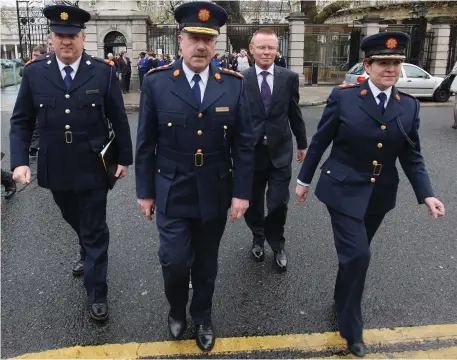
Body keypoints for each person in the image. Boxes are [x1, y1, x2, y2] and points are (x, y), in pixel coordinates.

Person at [295, 31, 445, 357]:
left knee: (354, 257)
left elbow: (412, 155)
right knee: (360, 256)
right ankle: (352, 330)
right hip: (343, 189)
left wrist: (427, 194)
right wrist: (303, 181)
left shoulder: (408, 106)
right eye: (383, 63)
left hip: (380, 194)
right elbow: (321, 140)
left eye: (396, 63)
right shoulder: (345, 97)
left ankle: (341, 293)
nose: (390, 69)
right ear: (368, 64)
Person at [135, 1, 254, 352]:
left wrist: (241, 193)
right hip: (171, 187)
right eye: (193, 37)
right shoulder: (157, 83)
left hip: (215, 189)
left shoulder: (233, 85)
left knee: (206, 262)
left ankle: (202, 315)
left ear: (215, 43)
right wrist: (145, 192)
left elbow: (244, 145)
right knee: (173, 260)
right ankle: (176, 309)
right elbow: (145, 144)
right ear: (180, 40)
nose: (200, 45)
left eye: (208, 38)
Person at [10, 4, 133, 322]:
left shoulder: (102, 72)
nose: (66, 41)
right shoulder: (35, 73)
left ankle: (97, 293)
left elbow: (119, 119)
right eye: (59, 35)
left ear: (82, 38)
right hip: (56, 166)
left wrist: (124, 159)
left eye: (72, 35)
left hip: (94, 166)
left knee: (94, 228)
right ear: (52, 38)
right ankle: (86, 247)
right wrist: (20, 161)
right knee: (73, 217)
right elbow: (22, 121)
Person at [242, 27, 307, 271]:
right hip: (251, 154)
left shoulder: (289, 78)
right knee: (253, 203)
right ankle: (258, 237)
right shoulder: (240, 79)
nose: (266, 52)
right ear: (252, 50)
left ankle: (277, 243)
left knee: (279, 203)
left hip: (280, 152)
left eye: (271, 47)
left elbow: (294, 112)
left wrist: (302, 143)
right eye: (261, 47)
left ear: (277, 50)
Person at [28, 44, 49, 157]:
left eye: (36, 55)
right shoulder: (30, 68)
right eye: (33, 55)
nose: (34, 58)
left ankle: (34, 147)